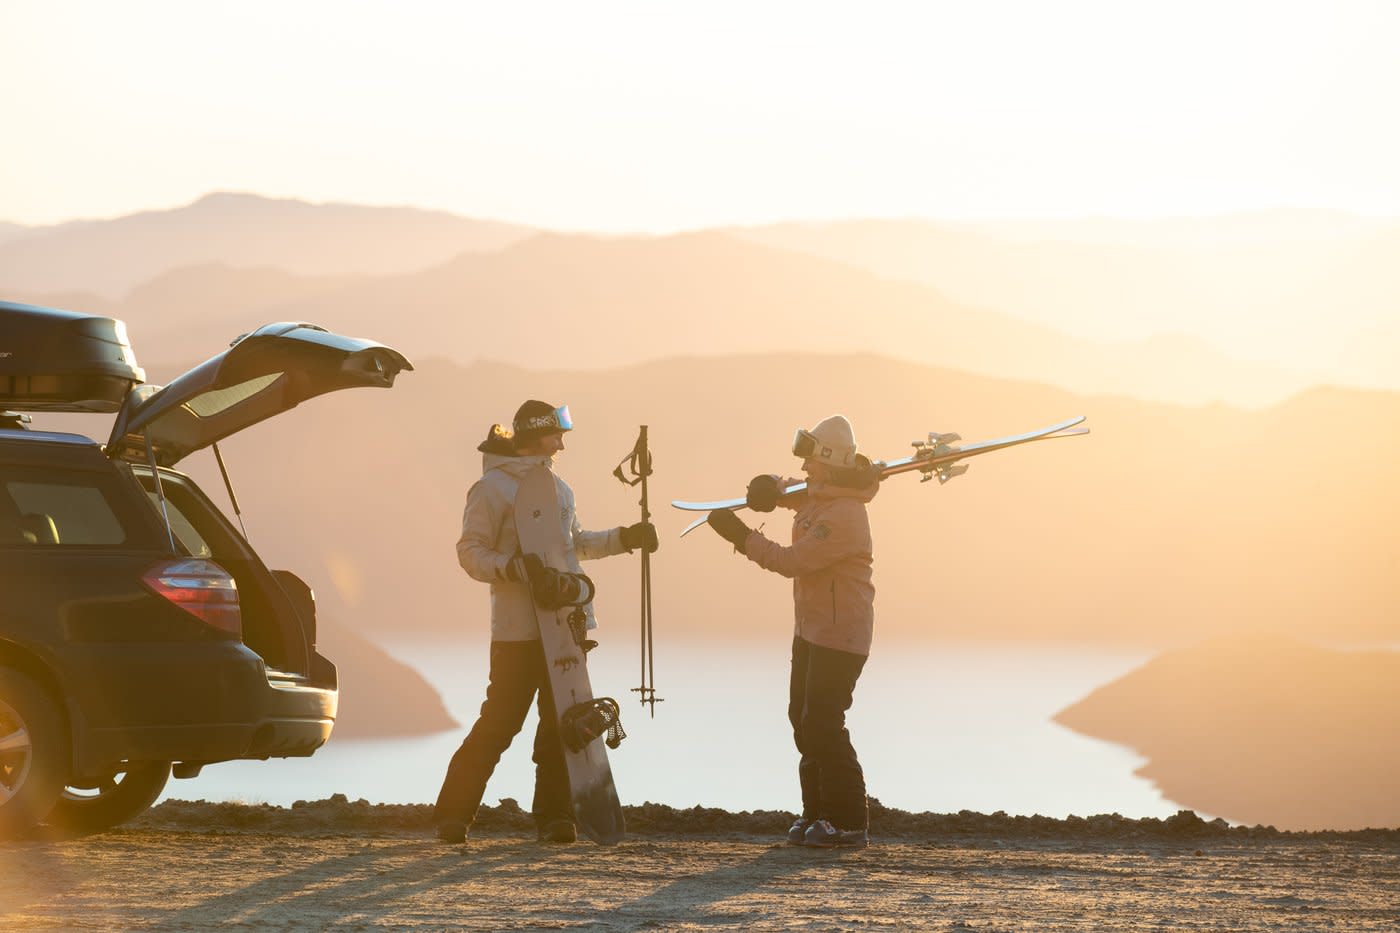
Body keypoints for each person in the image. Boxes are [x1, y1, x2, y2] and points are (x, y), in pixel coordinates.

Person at [434, 399, 658, 844]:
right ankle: (453, 815)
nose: (562, 442)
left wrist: (625, 538)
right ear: (537, 434)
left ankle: (556, 817)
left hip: (564, 625)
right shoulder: (491, 488)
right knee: (500, 722)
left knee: (563, 724)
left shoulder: (558, 488)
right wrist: (514, 568)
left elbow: (575, 545)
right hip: (517, 631)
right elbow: (470, 552)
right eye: (557, 434)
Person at [705, 414, 879, 849]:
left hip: (842, 636)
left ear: (828, 461)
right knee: (801, 721)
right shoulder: (820, 498)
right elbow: (795, 493)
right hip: (811, 630)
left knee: (823, 723)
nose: (804, 470)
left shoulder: (845, 515)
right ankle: (816, 814)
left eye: (810, 462)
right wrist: (769, 487)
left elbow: (791, 562)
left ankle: (849, 823)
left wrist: (741, 537)